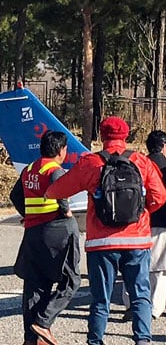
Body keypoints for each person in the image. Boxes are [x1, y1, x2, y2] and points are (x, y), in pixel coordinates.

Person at [45, 117, 166, 345]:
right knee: (140, 295)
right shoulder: (140, 161)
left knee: (101, 299)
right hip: (137, 241)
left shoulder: (91, 162)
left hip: (101, 242)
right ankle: (143, 340)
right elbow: (160, 196)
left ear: (101, 136)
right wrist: (141, 212)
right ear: (127, 135)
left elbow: (57, 191)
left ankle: (95, 341)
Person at [10, 131, 81, 345]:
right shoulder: (55, 171)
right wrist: (66, 211)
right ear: (61, 150)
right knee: (71, 280)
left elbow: (15, 196)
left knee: (34, 285)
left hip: (33, 232)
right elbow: (61, 195)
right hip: (56, 231)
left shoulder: (30, 169)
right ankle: (43, 322)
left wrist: (29, 214)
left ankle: (30, 339)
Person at [122, 130, 166, 319]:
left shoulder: (137, 164)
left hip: (136, 222)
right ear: (165, 146)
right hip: (164, 222)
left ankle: (130, 305)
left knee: (132, 265)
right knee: (159, 270)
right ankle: (154, 309)